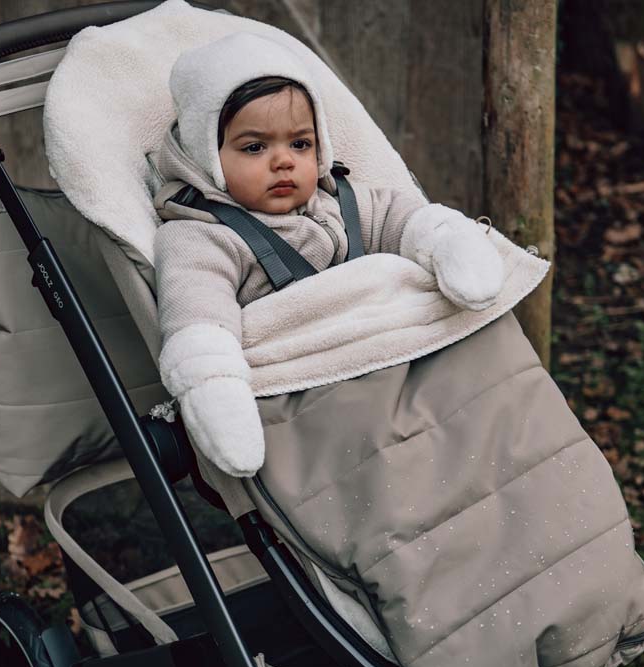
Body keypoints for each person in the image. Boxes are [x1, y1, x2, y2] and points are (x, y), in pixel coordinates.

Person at [152, 32, 504, 478]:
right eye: (255, 147)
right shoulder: (201, 238)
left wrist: (446, 239)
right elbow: (199, 320)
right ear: (208, 156)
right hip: (308, 389)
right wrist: (212, 383)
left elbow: (406, 219)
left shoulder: (340, 205)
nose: (283, 161)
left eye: (300, 144)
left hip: (395, 363)